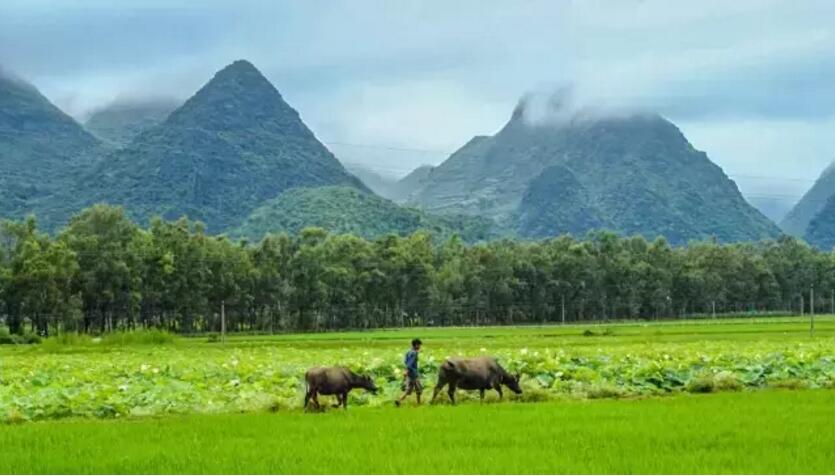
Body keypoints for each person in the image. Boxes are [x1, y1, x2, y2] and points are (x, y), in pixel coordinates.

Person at [395, 338, 422, 406]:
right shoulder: (414, 353)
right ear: (416, 345)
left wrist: (406, 370)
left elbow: (406, 362)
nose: (420, 347)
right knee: (419, 389)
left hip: (409, 373)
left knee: (408, 390)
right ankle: (419, 403)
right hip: (413, 373)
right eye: (419, 345)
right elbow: (410, 363)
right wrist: (407, 370)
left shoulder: (408, 352)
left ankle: (399, 400)